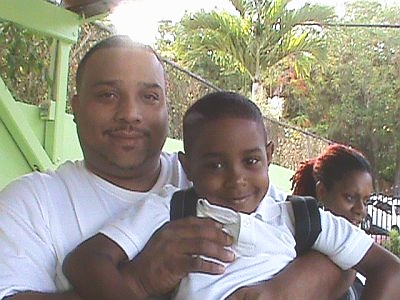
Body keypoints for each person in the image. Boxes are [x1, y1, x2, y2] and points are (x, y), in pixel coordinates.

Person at [0, 35, 354, 300]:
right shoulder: (32, 202)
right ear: (75, 106)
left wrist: (276, 291)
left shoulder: (216, 178)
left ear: (168, 109)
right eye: (108, 94)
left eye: (149, 96)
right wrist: (137, 281)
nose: (130, 114)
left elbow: (340, 260)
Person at [63, 91, 400, 300]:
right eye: (215, 165)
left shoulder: (301, 218)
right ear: (188, 167)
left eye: (251, 161)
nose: (236, 179)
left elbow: (388, 270)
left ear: (269, 155)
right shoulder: (176, 210)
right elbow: (86, 261)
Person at [291, 144, 374, 299]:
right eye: (349, 197)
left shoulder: (351, 257)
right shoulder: (299, 254)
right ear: (322, 192)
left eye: (366, 201)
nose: (360, 210)